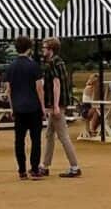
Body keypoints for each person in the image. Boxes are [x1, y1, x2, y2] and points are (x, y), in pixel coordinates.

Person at [36, 37, 81, 178]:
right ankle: (45, 164)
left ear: (51, 49)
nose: (42, 50)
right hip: (57, 103)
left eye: (44, 48)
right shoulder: (56, 62)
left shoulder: (53, 63)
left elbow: (57, 84)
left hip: (57, 104)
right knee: (49, 134)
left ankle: (74, 166)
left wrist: (55, 105)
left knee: (63, 136)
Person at [4, 35, 45, 181]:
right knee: (36, 140)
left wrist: (12, 108)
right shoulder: (34, 65)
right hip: (33, 107)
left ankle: (21, 170)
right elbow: (39, 89)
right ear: (29, 48)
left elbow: (8, 90)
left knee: (19, 140)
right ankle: (34, 169)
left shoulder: (11, 67)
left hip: (18, 108)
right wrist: (43, 108)